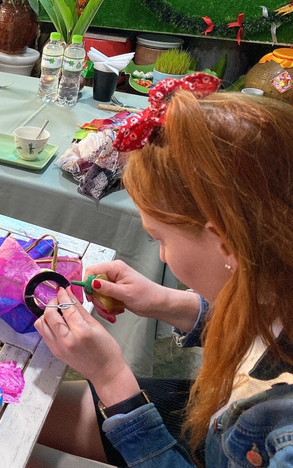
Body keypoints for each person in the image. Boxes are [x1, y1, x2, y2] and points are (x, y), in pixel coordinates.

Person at [33, 75, 293, 467]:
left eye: (161, 239)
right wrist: (169, 303)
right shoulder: (279, 271)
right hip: (216, 428)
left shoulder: (281, 437)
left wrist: (111, 379)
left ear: (224, 242)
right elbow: (266, 324)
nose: (164, 257)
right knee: (29, 414)